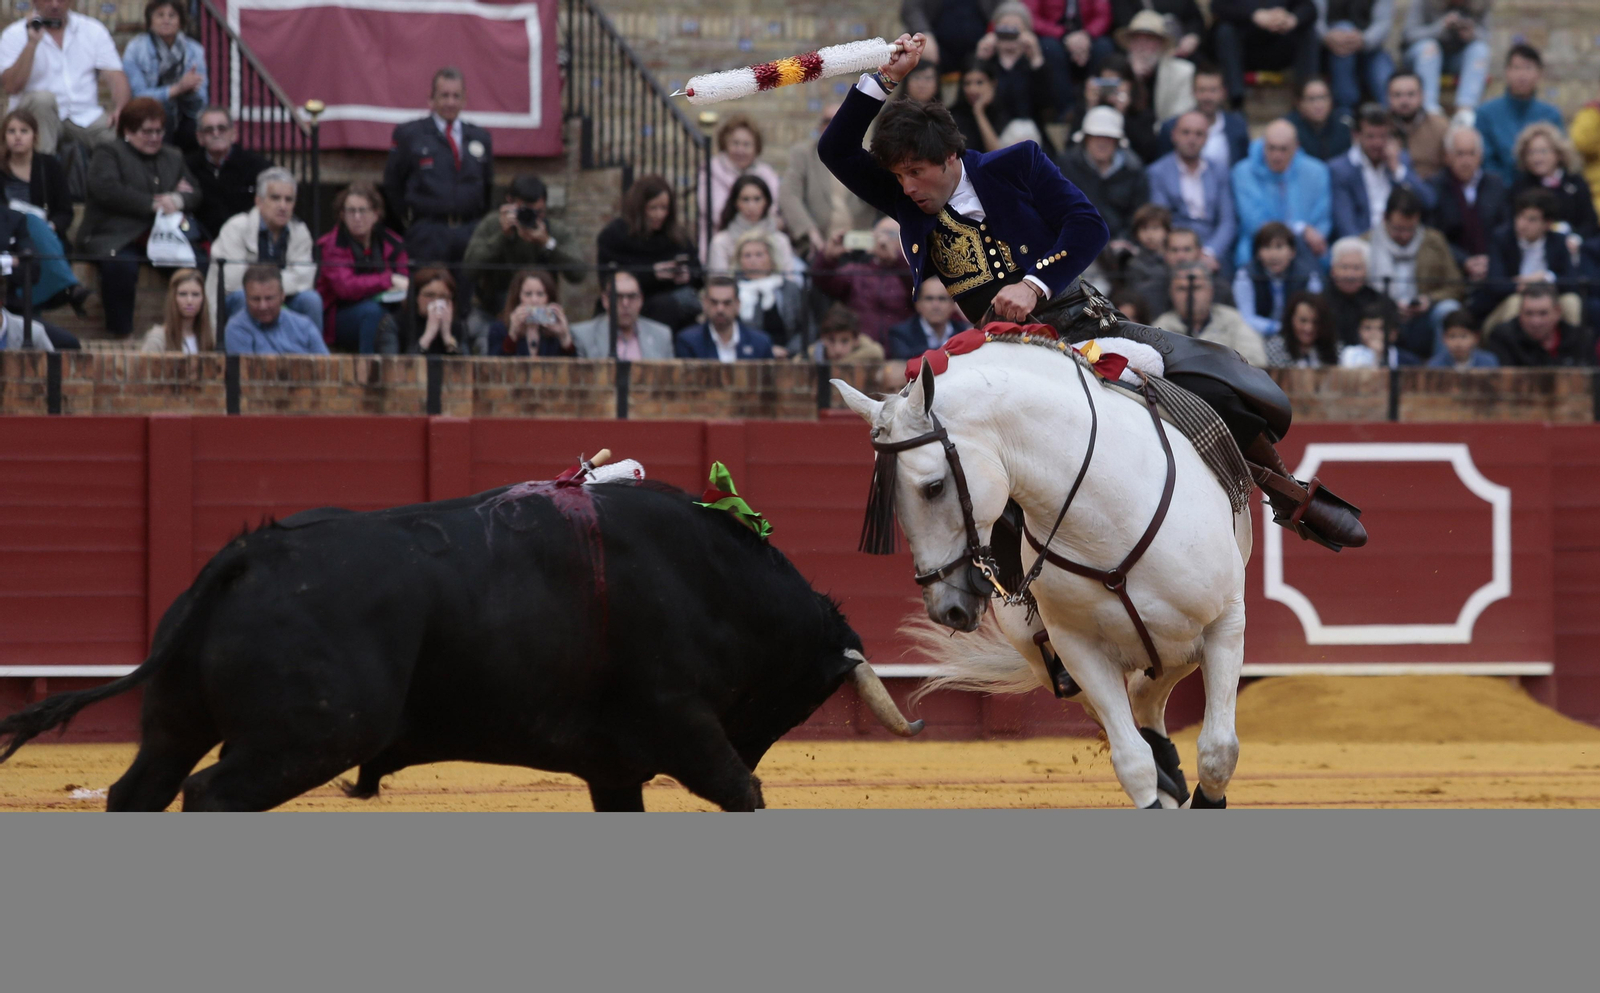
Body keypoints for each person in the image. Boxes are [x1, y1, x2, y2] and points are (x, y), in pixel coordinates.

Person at [819, 32, 1363, 547]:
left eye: (916, 171)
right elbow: (836, 150)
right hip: (1007, 355)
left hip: (1082, 325)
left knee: (1210, 378)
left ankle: (1285, 491)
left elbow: (1088, 224)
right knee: (966, 454)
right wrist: (884, 79)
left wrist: (1034, 284)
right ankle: (998, 581)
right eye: (899, 176)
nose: (907, 187)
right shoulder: (905, 197)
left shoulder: (1017, 163)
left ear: (950, 158)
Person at [75, 97, 199, 338]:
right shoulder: (109, 151)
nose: (154, 137)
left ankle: (189, 333)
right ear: (128, 131)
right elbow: (106, 188)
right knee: (120, 268)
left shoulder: (172, 156)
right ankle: (122, 335)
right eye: (147, 132)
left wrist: (178, 200)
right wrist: (153, 204)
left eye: (159, 131)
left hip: (163, 237)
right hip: (115, 235)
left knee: (195, 266)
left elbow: (195, 192)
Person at [382, 67, 493, 267]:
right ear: (431, 98)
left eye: (455, 96)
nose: (450, 102)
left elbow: (487, 187)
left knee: (465, 295)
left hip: (468, 233)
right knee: (428, 294)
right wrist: (412, 223)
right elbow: (393, 184)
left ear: (465, 99)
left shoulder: (480, 137)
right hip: (428, 233)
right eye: (444, 96)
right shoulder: (410, 135)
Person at [463, 173, 582, 347]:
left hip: (543, 316)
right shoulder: (492, 225)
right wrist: (502, 237)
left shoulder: (555, 230)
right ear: (510, 202)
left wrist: (547, 244)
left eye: (539, 212)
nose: (532, 217)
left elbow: (579, 274)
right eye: (526, 211)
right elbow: (468, 269)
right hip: (493, 312)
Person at [0, 0, 128, 155]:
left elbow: (115, 75)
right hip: (36, 116)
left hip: (84, 114)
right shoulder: (14, 34)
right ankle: (44, 171)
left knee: (123, 139)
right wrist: (32, 43)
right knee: (43, 100)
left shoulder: (93, 30)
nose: (55, 5)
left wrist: (121, 107)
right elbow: (11, 86)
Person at [208, 166, 321, 329]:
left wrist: (270, 291)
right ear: (259, 201)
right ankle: (243, 353)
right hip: (237, 299)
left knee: (311, 300)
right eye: (275, 198)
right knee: (242, 296)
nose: (283, 206)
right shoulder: (236, 227)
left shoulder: (300, 231)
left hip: (282, 299)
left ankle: (311, 354)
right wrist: (274, 287)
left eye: (288, 200)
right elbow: (231, 281)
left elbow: (304, 280)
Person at [0, 108, 83, 314]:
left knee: (34, 224)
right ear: (4, 137)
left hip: (48, 234)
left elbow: (65, 211)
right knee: (26, 220)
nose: (17, 136)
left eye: (24, 130)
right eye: (11, 131)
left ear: (35, 136)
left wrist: (51, 226)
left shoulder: (49, 166)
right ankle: (70, 287)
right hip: (8, 236)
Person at [1363, 187, 1462, 356]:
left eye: (1410, 229)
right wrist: (1388, 305)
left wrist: (1429, 300)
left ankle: (1441, 369)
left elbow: (1456, 286)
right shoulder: (1366, 243)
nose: (1404, 235)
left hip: (1423, 318)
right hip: (1382, 315)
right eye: (1398, 228)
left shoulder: (1434, 241)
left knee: (1448, 309)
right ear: (1384, 218)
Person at [595, 173, 702, 330]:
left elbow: (699, 273)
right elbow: (607, 280)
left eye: (664, 208)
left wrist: (687, 275)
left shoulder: (677, 236)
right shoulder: (615, 235)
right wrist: (653, 274)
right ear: (639, 208)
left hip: (678, 311)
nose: (659, 214)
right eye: (653, 208)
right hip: (630, 306)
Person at [314, 181, 409, 354]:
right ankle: (369, 372)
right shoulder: (332, 245)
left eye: (362, 210)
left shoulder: (393, 243)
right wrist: (388, 280)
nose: (357, 217)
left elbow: (405, 281)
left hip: (386, 309)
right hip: (339, 316)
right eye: (351, 211)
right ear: (342, 215)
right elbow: (346, 287)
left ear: (376, 214)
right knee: (372, 313)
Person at [780, 103, 878, 262]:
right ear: (819, 127)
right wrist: (810, 232)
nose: (833, 125)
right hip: (818, 246)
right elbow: (789, 195)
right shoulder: (804, 154)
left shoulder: (867, 156)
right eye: (827, 121)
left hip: (863, 247)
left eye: (839, 119)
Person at [1473, 189, 1583, 329]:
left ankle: (1569, 349)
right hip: (1506, 305)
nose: (1522, 224)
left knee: (1571, 302)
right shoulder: (1502, 238)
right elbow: (1496, 285)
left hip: (1546, 300)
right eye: (1520, 216)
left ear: (1547, 224)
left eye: (1532, 219)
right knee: (1515, 302)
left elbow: (1572, 282)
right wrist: (1532, 281)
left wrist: (1546, 277)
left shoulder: (1558, 241)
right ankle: (1508, 349)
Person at [1230, 119, 1331, 268]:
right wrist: (1301, 228)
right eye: (1271, 148)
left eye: (1283, 149)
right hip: (1258, 246)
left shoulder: (1317, 172)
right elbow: (1252, 221)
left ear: (1296, 147)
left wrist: (1306, 235)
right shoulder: (1243, 172)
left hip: (1305, 247)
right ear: (1263, 145)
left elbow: (1322, 220)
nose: (1276, 155)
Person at [1329, 104, 1435, 241]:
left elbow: (1429, 201)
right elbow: (1345, 225)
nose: (1377, 143)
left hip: (1402, 240)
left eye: (1382, 136)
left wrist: (1397, 170)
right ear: (1356, 135)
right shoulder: (1340, 169)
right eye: (1370, 136)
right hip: (1363, 243)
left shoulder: (1400, 160)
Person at [1147, 109, 1237, 270]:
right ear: (1174, 135)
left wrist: (1209, 252)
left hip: (1212, 247)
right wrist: (1184, 251)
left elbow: (1227, 221)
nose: (1192, 139)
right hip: (1175, 248)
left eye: (1198, 134)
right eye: (1186, 132)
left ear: (1207, 137)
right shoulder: (1157, 172)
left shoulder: (1219, 171)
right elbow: (1161, 220)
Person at [809, 215, 916, 346]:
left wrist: (896, 261)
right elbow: (823, 283)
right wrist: (827, 258)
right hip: (861, 350)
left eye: (892, 235)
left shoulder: (912, 272)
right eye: (880, 235)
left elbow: (921, 292)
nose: (884, 241)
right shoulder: (856, 271)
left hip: (902, 350)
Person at [120, 0, 205, 152]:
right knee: (161, 115)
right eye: (160, 15)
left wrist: (190, 92)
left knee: (199, 127)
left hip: (186, 113)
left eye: (172, 15)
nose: (166, 20)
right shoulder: (136, 49)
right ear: (150, 20)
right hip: (147, 115)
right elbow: (139, 95)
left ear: (180, 21)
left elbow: (202, 100)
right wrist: (178, 89)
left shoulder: (195, 51)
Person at [1056, 107, 1148, 244]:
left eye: (1109, 138)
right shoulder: (1065, 167)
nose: (1102, 143)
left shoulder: (1133, 170)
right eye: (1096, 137)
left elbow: (1138, 215)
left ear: (1117, 141)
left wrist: (1125, 240)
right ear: (1086, 139)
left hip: (1121, 246)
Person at [1475, 44, 1565, 185]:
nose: (1522, 75)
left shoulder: (1551, 115)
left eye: (1528, 68)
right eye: (1517, 68)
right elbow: (1485, 160)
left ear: (1539, 73)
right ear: (1507, 72)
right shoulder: (1486, 113)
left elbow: (1560, 158)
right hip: (1500, 192)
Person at [973, 3, 1060, 147]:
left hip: (1032, 137)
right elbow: (969, 98)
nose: (1009, 32)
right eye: (1004, 27)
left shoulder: (1036, 65)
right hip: (992, 136)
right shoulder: (989, 63)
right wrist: (980, 60)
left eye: (1015, 28)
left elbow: (1049, 108)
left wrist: (1036, 59)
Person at [1209, 0, 1321, 110]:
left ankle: (1307, 96)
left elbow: (1310, 8)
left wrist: (1292, 19)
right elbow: (1217, 6)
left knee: (1309, 33)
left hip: (1280, 47)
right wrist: (1254, 15)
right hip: (1246, 52)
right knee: (1225, 31)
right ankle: (1236, 101)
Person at [1428, 125, 1505, 285]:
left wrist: (1488, 260)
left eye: (1472, 153)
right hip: (1449, 273)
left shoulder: (1495, 185)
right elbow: (1434, 236)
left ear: (1481, 156)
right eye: (1460, 154)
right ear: (1447, 156)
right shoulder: (1434, 187)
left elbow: (1505, 229)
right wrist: (1465, 261)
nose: (1466, 161)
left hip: (1492, 271)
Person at [1157, 261, 1268, 366]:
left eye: (1197, 288)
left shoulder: (1232, 320)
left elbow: (1256, 361)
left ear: (1210, 290)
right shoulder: (1161, 327)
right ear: (1171, 293)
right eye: (1182, 289)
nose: (1189, 295)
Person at [186, 106, 270, 240]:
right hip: (202, 242)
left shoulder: (256, 166)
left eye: (222, 128)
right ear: (199, 137)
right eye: (209, 130)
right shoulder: (188, 167)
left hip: (245, 240)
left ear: (233, 133)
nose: (216, 133)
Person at [702, 114, 782, 253]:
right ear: (725, 144)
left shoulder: (766, 173)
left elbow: (772, 208)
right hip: (724, 247)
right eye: (735, 143)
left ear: (756, 147)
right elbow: (717, 214)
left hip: (763, 247)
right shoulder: (711, 170)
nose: (740, 150)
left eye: (746, 145)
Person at [1509, 123, 1599, 239]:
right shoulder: (1521, 186)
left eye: (1543, 151)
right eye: (1530, 152)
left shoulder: (1575, 182)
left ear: (1558, 153)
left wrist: (1577, 239)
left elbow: (1589, 221)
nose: (1536, 158)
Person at [1402, 0, 1492, 118]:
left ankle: (1465, 112)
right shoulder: (1423, 2)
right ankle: (1429, 110)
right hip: (1422, 57)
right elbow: (1408, 35)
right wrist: (1440, 27)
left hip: (1456, 59)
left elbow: (1487, 38)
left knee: (1480, 50)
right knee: (1430, 47)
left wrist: (1472, 33)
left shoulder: (1481, 4)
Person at [1233, 222, 1322, 336]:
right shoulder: (1245, 276)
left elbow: (1314, 314)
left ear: (1292, 252)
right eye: (1266, 247)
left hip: (1297, 336)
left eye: (1279, 246)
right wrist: (1278, 328)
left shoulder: (1308, 276)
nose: (1273, 254)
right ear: (1258, 253)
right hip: (1257, 336)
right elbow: (1246, 318)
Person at [1155, 64, 1249, 169]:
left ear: (1223, 92)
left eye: (1213, 90)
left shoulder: (1237, 126)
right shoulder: (1171, 127)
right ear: (1193, 92)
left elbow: (1242, 165)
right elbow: (1162, 169)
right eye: (1202, 90)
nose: (1207, 97)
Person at [569, 269, 674, 360]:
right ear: (605, 300)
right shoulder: (583, 335)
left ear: (640, 300)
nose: (625, 304)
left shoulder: (661, 335)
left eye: (631, 296)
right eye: (618, 297)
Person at [1132, 224, 1233, 318]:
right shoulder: (1148, 292)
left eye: (1187, 249)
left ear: (1199, 252)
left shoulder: (1220, 290)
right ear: (1165, 253)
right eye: (1174, 250)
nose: (1181, 257)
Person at [223, 264, 327, 355]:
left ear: (282, 296)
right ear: (246, 298)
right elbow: (243, 374)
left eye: (269, 298)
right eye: (255, 299)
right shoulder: (236, 329)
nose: (263, 306)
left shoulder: (304, 326)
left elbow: (325, 366)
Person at [1316, 0, 1395, 117]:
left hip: (1371, 50)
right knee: (1344, 30)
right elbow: (1314, 18)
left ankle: (1392, 115)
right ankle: (1345, 112)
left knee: (1384, 76)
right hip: (1330, 53)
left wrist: (1363, 39)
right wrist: (1327, 37)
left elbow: (1383, 24)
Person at [1485, 282, 1593, 368]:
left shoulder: (1580, 338)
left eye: (1543, 313)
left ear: (1557, 312)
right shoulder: (1503, 337)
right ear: (1520, 313)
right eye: (1529, 313)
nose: (1536, 322)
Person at [707, 174, 796, 276]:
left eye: (757, 199)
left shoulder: (780, 240)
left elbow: (789, 281)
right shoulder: (721, 242)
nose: (751, 206)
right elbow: (719, 282)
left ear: (767, 201)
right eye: (745, 199)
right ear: (736, 203)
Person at [731, 229, 803, 353]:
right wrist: (765, 350)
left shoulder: (789, 289)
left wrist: (789, 351)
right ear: (739, 261)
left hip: (787, 356)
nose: (753, 261)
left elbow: (806, 329)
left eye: (759, 255)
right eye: (747, 255)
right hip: (746, 356)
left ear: (771, 258)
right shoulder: (733, 290)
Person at [1117, 11, 1195, 126]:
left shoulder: (1183, 71)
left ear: (1161, 44)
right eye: (1137, 40)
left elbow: (1180, 117)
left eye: (1148, 40)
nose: (1142, 46)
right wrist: (1135, 79)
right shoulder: (1118, 70)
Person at [674, 276, 776, 361]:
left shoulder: (760, 342)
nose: (720, 309)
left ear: (737, 304)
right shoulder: (689, 341)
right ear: (705, 304)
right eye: (714, 302)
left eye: (727, 303)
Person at [1325, 235, 1399, 344]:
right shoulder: (1320, 303)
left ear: (1367, 271)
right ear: (1333, 270)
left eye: (1356, 268)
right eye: (1344, 267)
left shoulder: (1383, 303)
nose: (1350, 275)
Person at [484, 268, 574, 357]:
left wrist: (564, 337)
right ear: (518, 297)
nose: (534, 300)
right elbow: (494, 366)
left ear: (549, 298)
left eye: (540, 294)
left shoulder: (555, 332)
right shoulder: (499, 329)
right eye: (528, 294)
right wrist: (513, 335)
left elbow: (575, 368)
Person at [375, 267, 464, 355]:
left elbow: (468, 366)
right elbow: (390, 365)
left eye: (443, 297)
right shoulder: (393, 324)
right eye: (429, 295)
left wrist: (448, 340)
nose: (436, 302)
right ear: (416, 296)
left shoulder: (457, 326)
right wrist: (427, 338)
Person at [1385, 71, 1448, 182]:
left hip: (1431, 191)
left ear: (1422, 95)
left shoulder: (1440, 127)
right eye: (1397, 95)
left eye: (1411, 94)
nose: (1404, 101)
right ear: (1388, 97)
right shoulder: (1380, 128)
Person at [887, 276, 968, 358]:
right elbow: (904, 360)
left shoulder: (964, 332)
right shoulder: (900, 334)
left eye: (942, 299)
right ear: (917, 304)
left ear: (953, 304)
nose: (935, 306)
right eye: (929, 299)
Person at [949, 58, 1016, 155]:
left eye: (979, 83)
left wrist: (979, 113)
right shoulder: (953, 117)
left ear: (993, 83)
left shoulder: (1006, 112)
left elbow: (997, 155)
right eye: (967, 83)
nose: (973, 89)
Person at [140, 267, 214, 353]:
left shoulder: (210, 338)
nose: (189, 300)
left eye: (195, 294)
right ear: (173, 297)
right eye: (183, 294)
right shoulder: (158, 339)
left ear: (203, 298)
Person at [1264, 290, 1340, 366]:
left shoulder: (1334, 349)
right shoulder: (1276, 348)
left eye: (1315, 322)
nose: (1309, 328)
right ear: (1291, 320)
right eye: (1303, 321)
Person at [1287, 76, 1352, 162]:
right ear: (1299, 103)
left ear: (1331, 100)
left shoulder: (1343, 125)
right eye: (1311, 99)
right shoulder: (1288, 129)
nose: (1318, 105)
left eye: (1323, 97)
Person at [1338, 301, 1422, 367]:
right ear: (1359, 330)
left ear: (1393, 334)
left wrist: (1380, 354)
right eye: (1368, 328)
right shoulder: (1349, 354)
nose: (1374, 334)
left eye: (1381, 328)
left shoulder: (1408, 360)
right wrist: (1376, 355)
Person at [806, 302, 887, 365]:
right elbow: (798, 360)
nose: (837, 350)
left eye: (844, 341)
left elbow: (877, 352)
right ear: (823, 338)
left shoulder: (865, 345)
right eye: (831, 340)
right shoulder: (814, 352)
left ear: (856, 340)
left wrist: (833, 365)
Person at [1425, 309, 1498, 368]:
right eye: (1452, 336)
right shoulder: (1435, 365)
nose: (1458, 343)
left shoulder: (1488, 362)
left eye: (1463, 336)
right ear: (1443, 338)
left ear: (1476, 337)